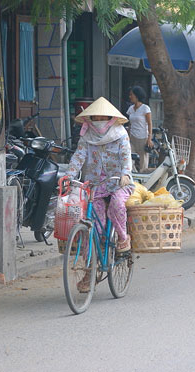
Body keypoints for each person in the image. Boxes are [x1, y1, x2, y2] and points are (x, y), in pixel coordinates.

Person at [65, 97, 134, 291]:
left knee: (117, 206)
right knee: (93, 227)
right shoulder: (86, 136)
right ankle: (90, 270)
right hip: (94, 186)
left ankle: (123, 238)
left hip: (118, 183)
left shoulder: (120, 135)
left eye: (102, 116)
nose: (98, 120)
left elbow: (126, 157)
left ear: (110, 118)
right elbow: (78, 158)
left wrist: (125, 175)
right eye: (95, 116)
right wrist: (68, 176)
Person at [126, 86, 153, 170]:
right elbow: (130, 124)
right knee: (130, 158)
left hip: (143, 138)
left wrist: (149, 139)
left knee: (143, 161)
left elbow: (149, 123)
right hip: (132, 138)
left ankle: (143, 179)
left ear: (137, 96)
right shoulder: (131, 109)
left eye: (131, 95)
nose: (130, 97)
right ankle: (134, 176)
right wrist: (128, 136)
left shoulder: (145, 108)